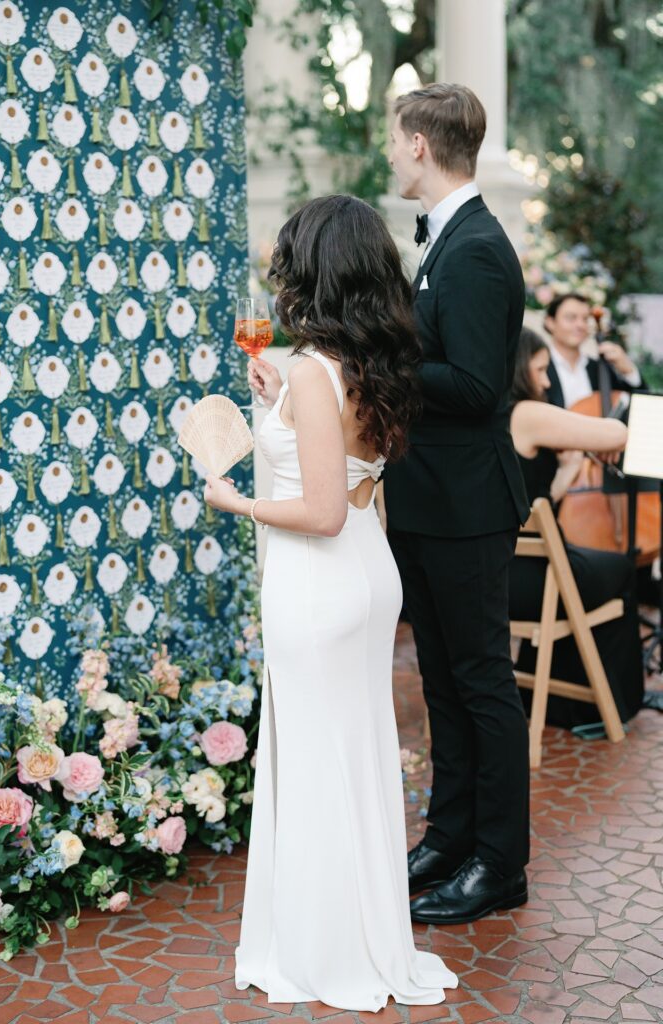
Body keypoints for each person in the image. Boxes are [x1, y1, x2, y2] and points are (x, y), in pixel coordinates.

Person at [204, 195, 458, 1011]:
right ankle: (361, 933)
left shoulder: (319, 374)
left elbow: (318, 511)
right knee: (352, 759)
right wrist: (280, 390)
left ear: (311, 267)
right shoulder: (360, 365)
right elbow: (353, 481)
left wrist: (232, 502)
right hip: (363, 575)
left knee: (317, 766)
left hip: (319, 582)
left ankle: (322, 949)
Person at [383, 83, 531, 926]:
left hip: (469, 503)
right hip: (431, 500)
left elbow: (476, 385)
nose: (389, 153)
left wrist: (379, 369)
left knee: (481, 684)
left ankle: (499, 864)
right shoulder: (444, 241)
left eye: (393, 140)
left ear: (419, 145)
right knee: (441, 679)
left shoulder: (474, 247)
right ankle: (450, 836)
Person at [509, 327, 644, 727]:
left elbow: (536, 499)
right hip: (534, 586)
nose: (547, 381)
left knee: (578, 564)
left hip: (495, 576)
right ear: (518, 369)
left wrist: (568, 467)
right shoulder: (526, 412)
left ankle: (548, 696)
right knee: (620, 567)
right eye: (540, 370)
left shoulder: (484, 415)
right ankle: (601, 705)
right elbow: (615, 433)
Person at [542, 293, 644, 409]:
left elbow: (638, 405)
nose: (580, 325)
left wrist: (628, 370)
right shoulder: (538, 367)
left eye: (585, 319)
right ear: (550, 322)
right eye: (571, 318)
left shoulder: (598, 369)